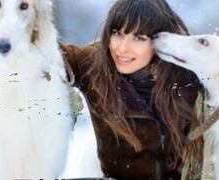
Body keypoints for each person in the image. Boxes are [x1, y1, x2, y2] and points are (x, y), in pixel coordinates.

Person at [61, 0, 204, 179]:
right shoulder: (94, 66)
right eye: (117, 33)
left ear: (161, 40)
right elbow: (45, 54)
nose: (122, 48)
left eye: (139, 38)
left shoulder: (188, 77)